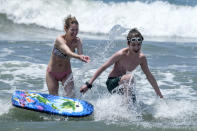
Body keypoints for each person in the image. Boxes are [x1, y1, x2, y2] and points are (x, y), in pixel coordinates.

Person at [80, 28, 163, 104]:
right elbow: (103, 67)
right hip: (112, 83)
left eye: (139, 44)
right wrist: (88, 85)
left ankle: (128, 112)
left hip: (125, 85)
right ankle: (127, 111)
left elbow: (149, 76)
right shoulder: (121, 54)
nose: (136, 47)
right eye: (133, 45)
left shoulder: (141, 58)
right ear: (128, 43)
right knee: (130, 78)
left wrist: (159, 95)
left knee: (135, 104)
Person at [46, 15, 90, 97]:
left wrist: (83, 58)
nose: (75, 32)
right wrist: (78, 57)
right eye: (72, 30)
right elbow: (68, 52)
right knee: (53, 98)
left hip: (66, 74)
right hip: (52, 73)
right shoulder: (59, 40)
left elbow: (81, 54)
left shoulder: (77, 41)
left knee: (71, 97)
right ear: (66, 29)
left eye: (77, 30)